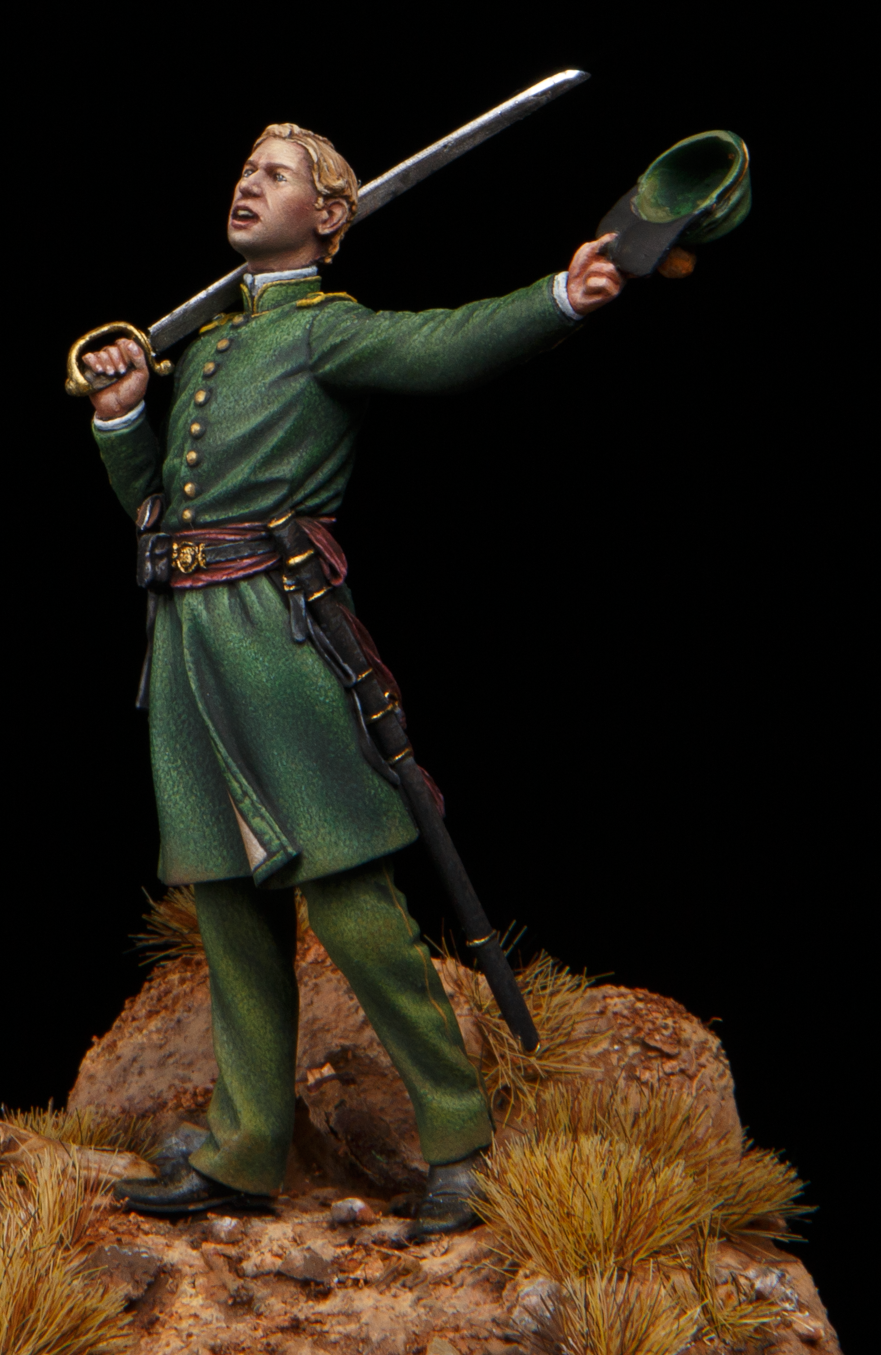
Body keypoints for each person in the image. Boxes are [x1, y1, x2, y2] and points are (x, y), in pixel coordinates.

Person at [83, 122, 623, 1234]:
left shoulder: (327, 332)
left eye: (277, 176)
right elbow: (157, 509)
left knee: (354, 907)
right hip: (186, 647)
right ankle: (243, 1151)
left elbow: (443, 345)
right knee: (229, 911)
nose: (248, 185)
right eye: (247, 170)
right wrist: (124, 411)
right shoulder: (213, 346)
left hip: (276, 643)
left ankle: (459, 1141)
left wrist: (559, 299)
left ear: (329, 216)